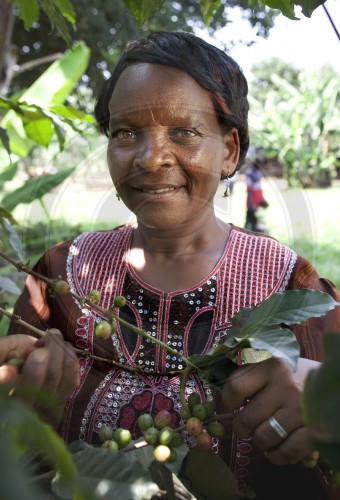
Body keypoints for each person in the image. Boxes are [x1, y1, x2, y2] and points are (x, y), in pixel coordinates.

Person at [4, 31, 340, 499]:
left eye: (184, 132)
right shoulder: (60, 276)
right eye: (125, 133)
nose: (151, 156)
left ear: (228, 150)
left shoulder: (290, 287)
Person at [244, 159, 269, 233]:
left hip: (258, 202)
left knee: (257, 224)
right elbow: (249, 190)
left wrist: (262, 199)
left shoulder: (258, 173)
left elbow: (258, 188)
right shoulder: (250, 174)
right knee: (251, 226)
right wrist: (252, 204)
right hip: (252, 204)